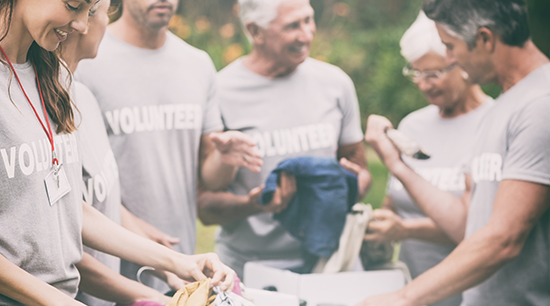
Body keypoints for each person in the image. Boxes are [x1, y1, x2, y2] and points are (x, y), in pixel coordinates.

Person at [0, 0, 236, 304]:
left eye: (88, 11)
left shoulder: (53, 74)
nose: (82, 26)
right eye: (74, 5)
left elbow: (68, 205)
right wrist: (53, 299)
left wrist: (179, 261)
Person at [358, 0, 550, 305]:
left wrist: (405, 297)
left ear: (485, 39)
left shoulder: (541, 105)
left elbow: (503, 239)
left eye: (450, 46)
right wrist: (395, 164)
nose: (450, 58)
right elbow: (471, 224)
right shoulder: (503, 106)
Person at [75, 0, 261, 292]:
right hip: (105, 265)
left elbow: (211, 181)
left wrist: (224, 158)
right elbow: (77, 184)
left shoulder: (197, 63)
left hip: (183, 267)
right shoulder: (85, 56)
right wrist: (134, 230)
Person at [197, 0, 372, 278]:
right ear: (255, 31)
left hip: (329, 263)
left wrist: (350, 183)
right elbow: (205, 206)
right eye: (292, 26)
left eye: (308, 20)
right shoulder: (220, 92)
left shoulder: (335, 84)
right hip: (249, 267)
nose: (306, 34)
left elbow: (360, 169)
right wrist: (253, 204)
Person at [362, 11, 492, 306]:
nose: (423, 84)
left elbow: (479, 229)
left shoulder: (491, 123)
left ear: (462, 62)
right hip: (408, 286)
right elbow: (395, 202)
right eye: (416, 73)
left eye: (433, 73)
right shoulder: (411, 126)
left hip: (466, 293)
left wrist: (406, 230)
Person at [59, 0, 170, 304]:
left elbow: (92, 199)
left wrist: (164, 261)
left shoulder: (84, 98)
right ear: (82, 22)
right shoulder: (45, 108)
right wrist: (155, 295)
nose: (109, 23)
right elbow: (64, 242)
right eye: (107, 12)